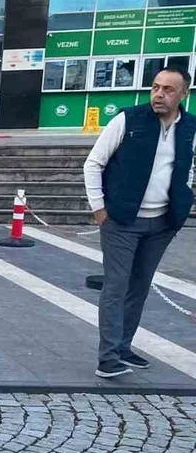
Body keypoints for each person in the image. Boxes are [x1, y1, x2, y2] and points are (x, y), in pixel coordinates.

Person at [83, 66, 195, 378]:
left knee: (140, 287)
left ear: (183, 94)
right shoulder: (127, 119)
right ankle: (107, 358)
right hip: (121, 220)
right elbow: (93, 163)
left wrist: (182, 205)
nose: (159, 94)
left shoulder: (190, 127)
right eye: (156, 87)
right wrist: (99, 209)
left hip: (162, 223)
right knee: (116, 287)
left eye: (168, 89)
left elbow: (186, 168)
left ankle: (123, 346)